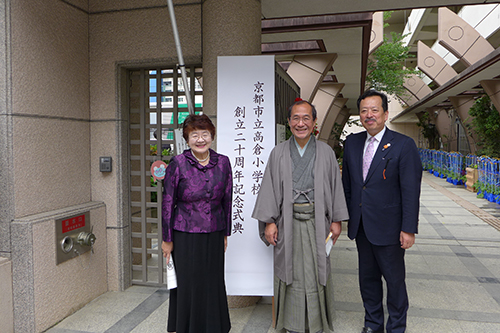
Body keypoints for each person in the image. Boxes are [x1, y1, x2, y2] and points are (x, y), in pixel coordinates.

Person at [252, 99, 349, 333]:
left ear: (314, 122)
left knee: (316, 270)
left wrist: (336, 220)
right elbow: (270, 188)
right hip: (287, 222)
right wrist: (269, 221)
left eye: (306, 118)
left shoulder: (325, 152)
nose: (300, 123)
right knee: (290, 271)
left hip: (318, 222)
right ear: (288, 122)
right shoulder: (278, 153)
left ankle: (317, 322)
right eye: (295, 118)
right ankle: (292, 322)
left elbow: (335, 186)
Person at [341, 90, 422, 333]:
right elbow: (348, 186)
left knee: (394, 281)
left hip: (390, 227)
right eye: (364, 110)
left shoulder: (403, 145)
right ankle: (372, 324)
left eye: (374, 110)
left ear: (385, 114)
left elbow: (410, 191)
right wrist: (343, 218)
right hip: (362, 225)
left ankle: (396, 326)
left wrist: (408, 228)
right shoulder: (353, 143)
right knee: (367, 279)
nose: (369, 115)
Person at [161, 114, 232, 333]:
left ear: (212, 136)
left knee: (212, 281)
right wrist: (167, 239)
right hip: (185, 233)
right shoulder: (178, 163)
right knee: (190, 282)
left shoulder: (223, 162)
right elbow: (167, 202)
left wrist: (225, 233)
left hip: (214, 231)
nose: (200, 139)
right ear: (187, 138)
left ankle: (213, 327)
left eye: (205, 134)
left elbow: (228, 199)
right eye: (194, 135)